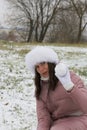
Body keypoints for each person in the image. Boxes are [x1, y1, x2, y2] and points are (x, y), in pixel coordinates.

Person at [25, 46, 87, 130]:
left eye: (43, 63)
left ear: (50, 63)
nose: (41, 69)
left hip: (81, 118)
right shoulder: (40, 87)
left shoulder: (70, 77)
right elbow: (43, 117)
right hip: (59, 123)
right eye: (37, 67)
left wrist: (69, 86)